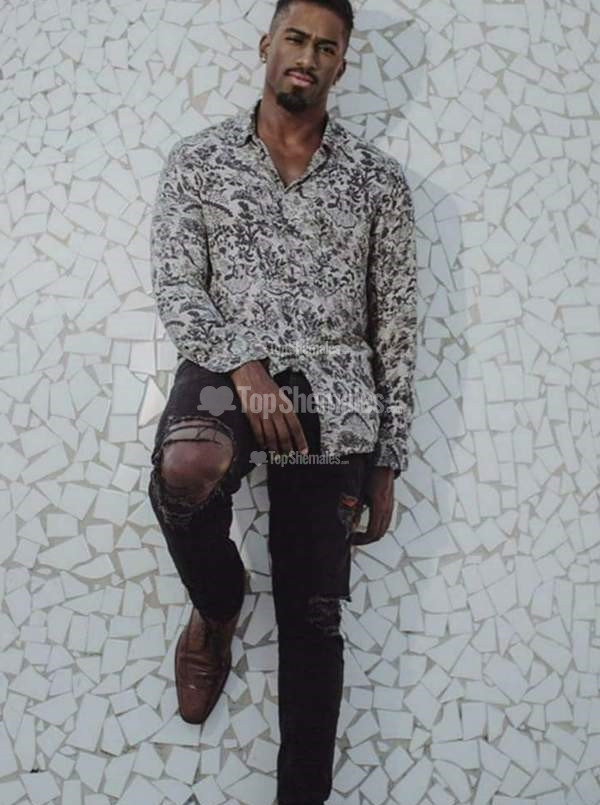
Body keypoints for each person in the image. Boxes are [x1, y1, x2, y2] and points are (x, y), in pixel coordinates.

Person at [148, 0, 417, 802]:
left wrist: (388, 458)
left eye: (327, 47)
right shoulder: (198, 160)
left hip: (336, 389)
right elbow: (178, 284)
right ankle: (217, 609)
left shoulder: (377, 180)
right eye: (296, 38)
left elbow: (397, 322)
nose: (309, 55)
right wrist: (246, 367)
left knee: (313, 616)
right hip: (225, 368)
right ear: (268, 44)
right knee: (187, 467)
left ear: (342, 64)